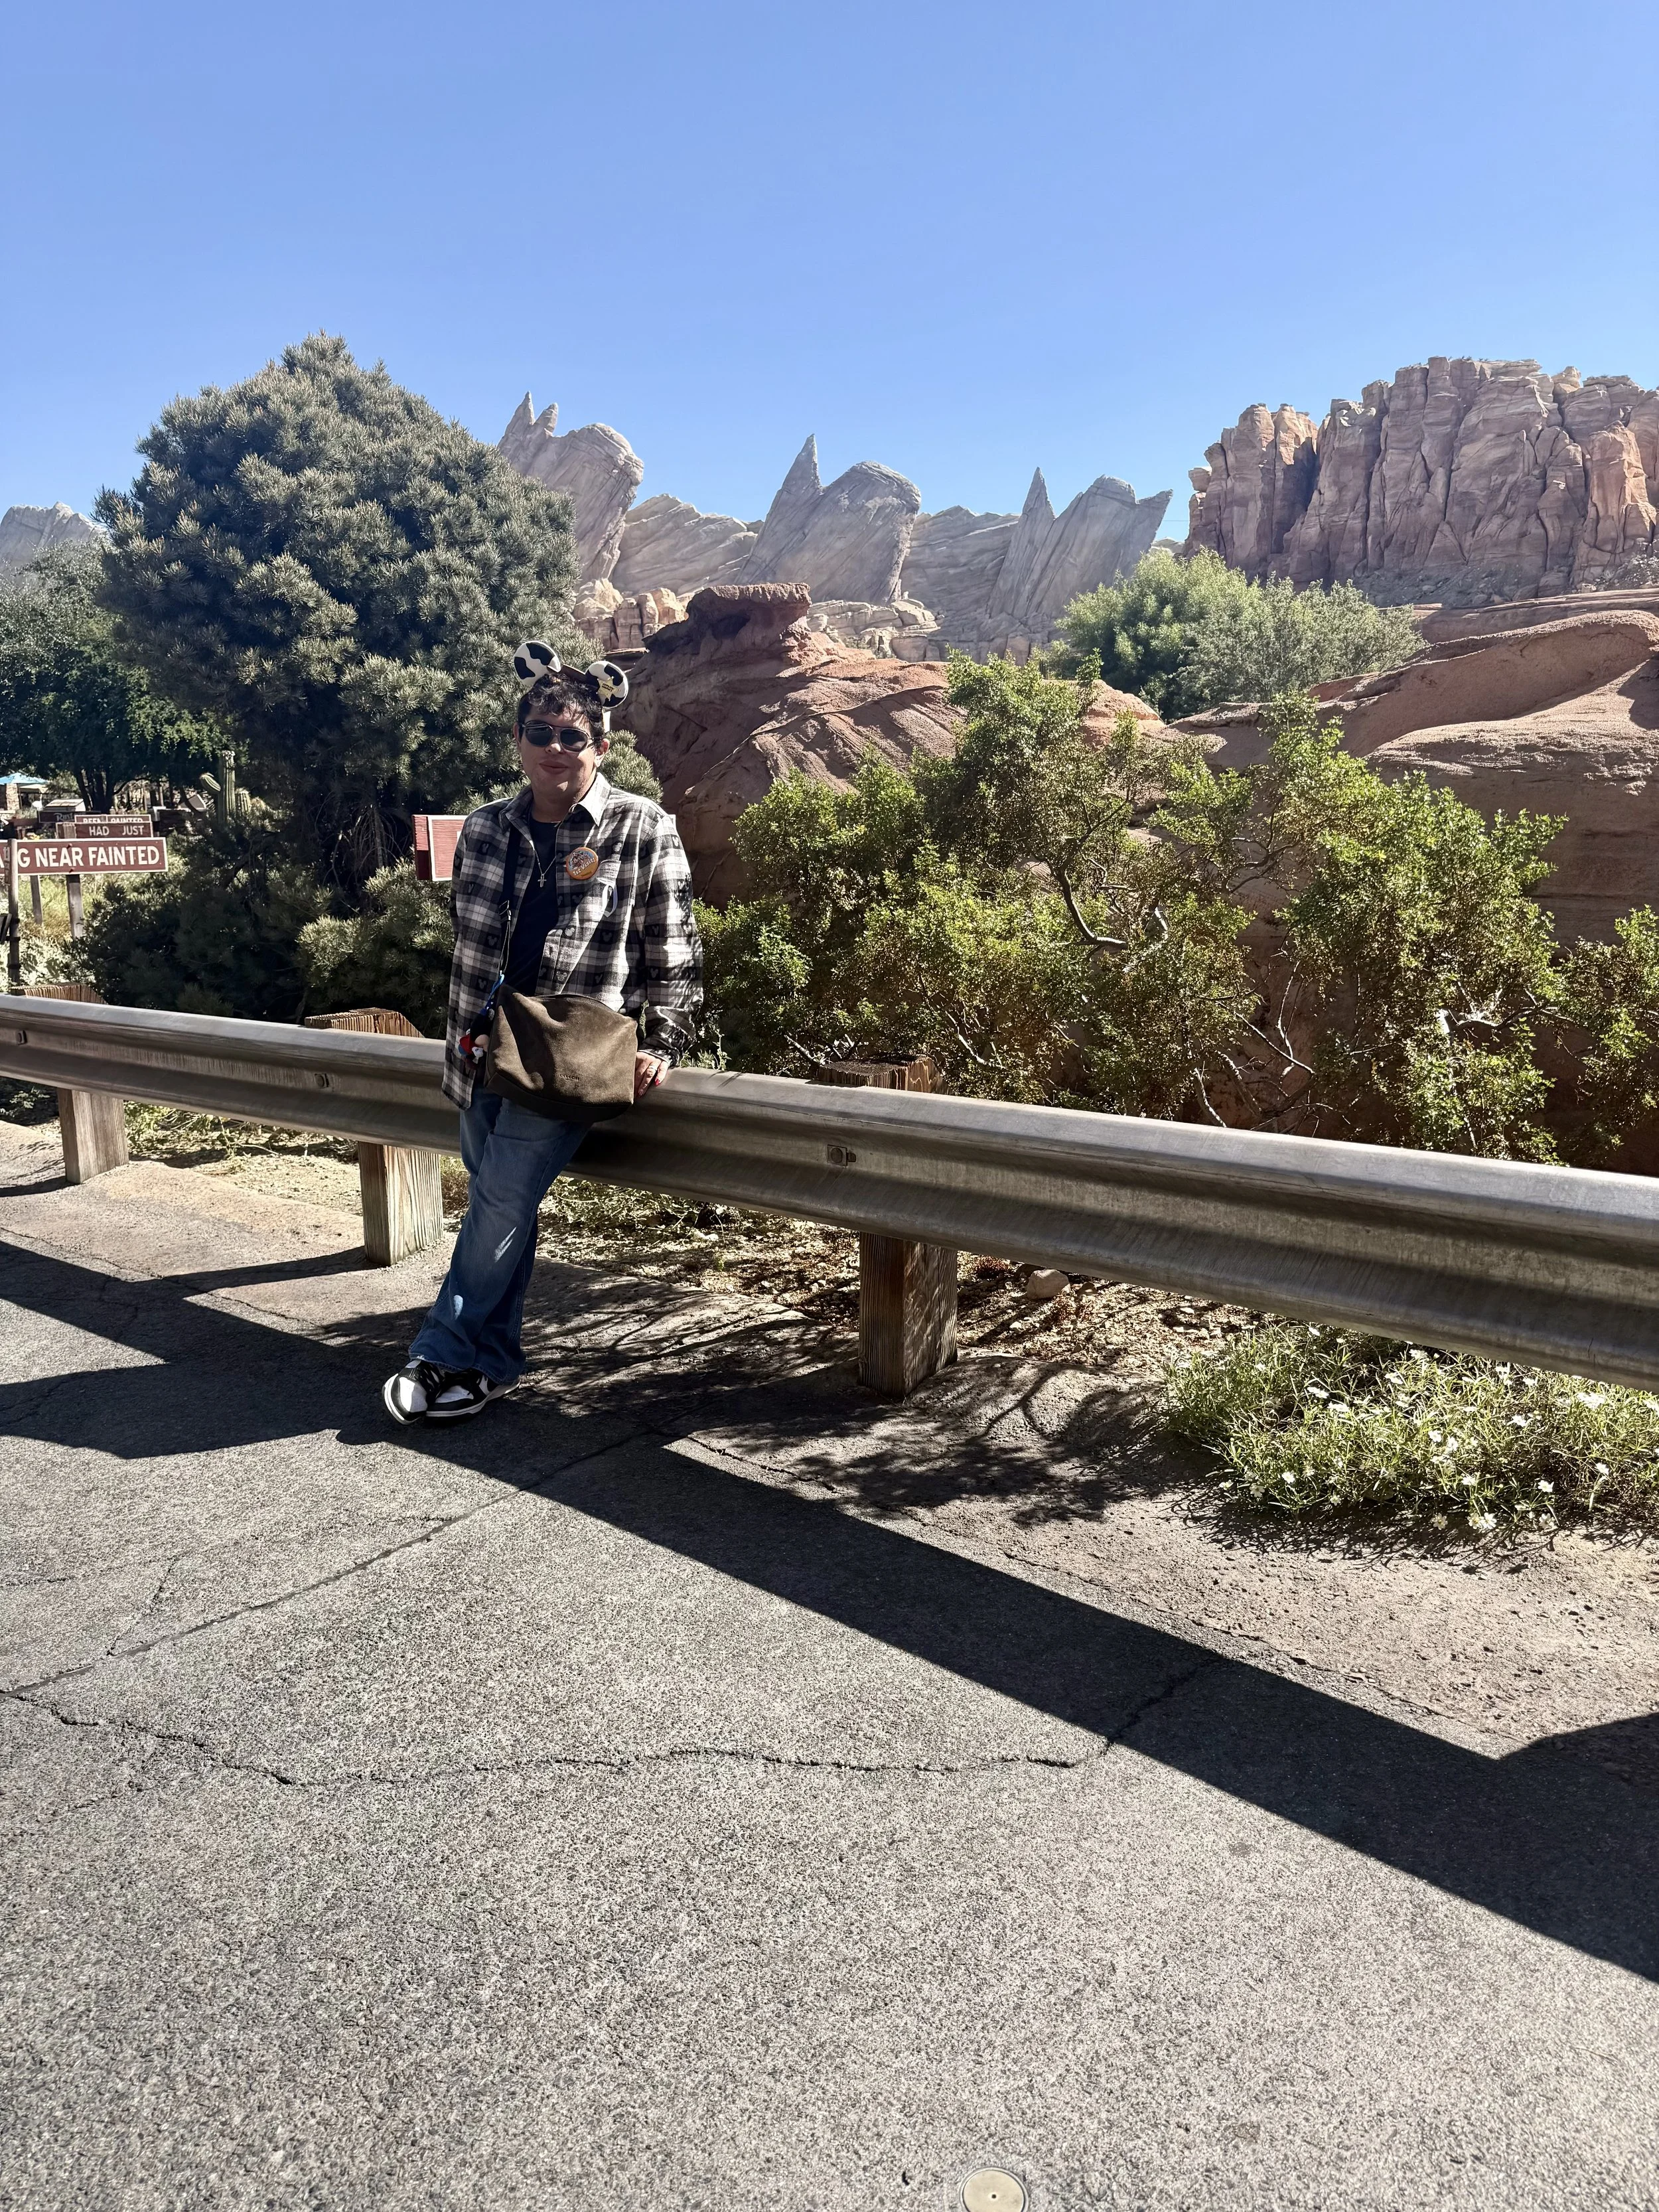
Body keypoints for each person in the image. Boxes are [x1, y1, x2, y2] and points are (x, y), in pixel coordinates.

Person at [383, 641, 701, 1424]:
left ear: (600, 745)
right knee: (505, 1210)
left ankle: (441, 1352)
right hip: (480, 1047)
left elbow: (673, 943)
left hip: (568, 1053)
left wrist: (663, 1040)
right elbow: (468, 941)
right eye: (540, 733)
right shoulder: (486, 827)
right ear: (518, 740)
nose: (555, 748)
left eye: (572, 736)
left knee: (496, 1202)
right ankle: (492, 1368)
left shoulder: (641, 827)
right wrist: (466, 1034)